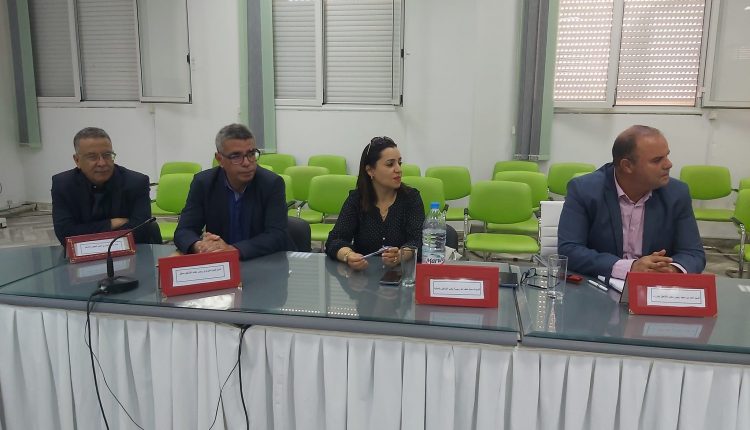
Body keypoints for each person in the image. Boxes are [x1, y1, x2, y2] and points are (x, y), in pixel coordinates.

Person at [558, 125, 706, 278]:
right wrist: (630, 267)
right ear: (627, 166)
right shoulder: (585, 190)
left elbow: (693, 253)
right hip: (600, 281)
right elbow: (570, 250)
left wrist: (671, 269)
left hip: (654, 285)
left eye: (667, 156)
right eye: (657, 160)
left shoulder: (676, 193)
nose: (668, 164)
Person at [173, 123, 291, 260]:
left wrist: (232, 250)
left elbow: (277, 235)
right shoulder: (204, 183)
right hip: (220, 263)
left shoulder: (271, 183)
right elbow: (184, 230)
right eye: (236, 156)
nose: (247, 163)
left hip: (261, 261)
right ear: (220, 159)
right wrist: (199, 246)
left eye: (251, 154)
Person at [325, 136, 424, 271]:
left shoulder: (411, 198)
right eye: (390, 164)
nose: (398, 169)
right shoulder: (357, 199)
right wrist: (349, 256)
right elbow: (335, 240)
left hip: (402, 275)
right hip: (364, 276)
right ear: (370, 170)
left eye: (399, 163)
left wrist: (400, 255)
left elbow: (418, 241)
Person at [52, 127, 160, 245]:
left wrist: (84, 231)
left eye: (107, 155)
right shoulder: (63, 185)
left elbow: (140, 230)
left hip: (131, 252)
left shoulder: (136, 182)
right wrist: (110, 224)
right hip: (81, 254)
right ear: (77, 160)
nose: (102, 163)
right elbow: (65, 234)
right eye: (92, 157)